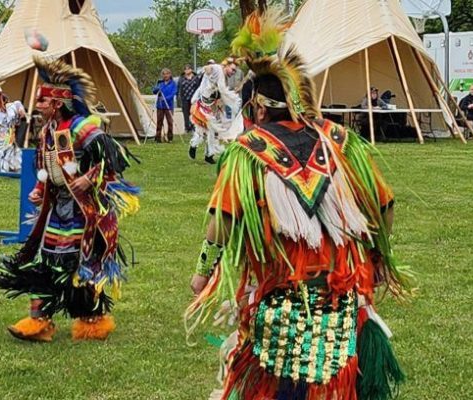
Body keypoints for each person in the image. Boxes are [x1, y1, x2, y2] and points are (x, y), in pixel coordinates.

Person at [188, 11, 410, 399]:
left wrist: (203, 275)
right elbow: (385, 204)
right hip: (338, 294)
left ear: (258, 107)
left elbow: (221, 221)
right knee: (332, 383)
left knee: (277, 384)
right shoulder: (341, 142)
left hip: (278, 294)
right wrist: (376, 259)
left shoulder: (248, 153)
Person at [0, 52, 140, 343]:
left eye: (43, 101)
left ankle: (92, 321)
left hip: (82, 210)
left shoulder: (81, 127)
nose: (37, 105)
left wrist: (91, 177)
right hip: (57, 207)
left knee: (79, 262)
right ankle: (39, 322)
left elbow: (111, 155)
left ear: (57, 103)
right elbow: (47, 165)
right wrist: (40, 188)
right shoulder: (47, 130)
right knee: (47, 259)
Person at [0, 91, 26, 172]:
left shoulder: (7, 108)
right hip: (7, 133)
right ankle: (7, 168)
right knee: (6, 150)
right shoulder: (13, 105)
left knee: (5, 150)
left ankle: (7, 168)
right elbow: (22, 114)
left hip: (6, 133)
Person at [152, 68, 177, 142]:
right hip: (160, 105)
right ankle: (158, 137)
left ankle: (170, 137)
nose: (165, 75)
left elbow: (173, 93)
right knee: (159, 121)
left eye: (167, 74)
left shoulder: (173, 83)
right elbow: (154, 91)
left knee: (170, 122)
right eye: (164, 74)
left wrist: (166, 99)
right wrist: (157, 89)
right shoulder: (160, 83)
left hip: (169, 105)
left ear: (170, 74)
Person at [177, 64, 201, 135]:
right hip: (185, 98)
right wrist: (179, 97)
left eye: (188, 69)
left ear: (191, 69)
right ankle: (187, 128)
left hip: (194, 99)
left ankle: (194, 128)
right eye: (185, 69)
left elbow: (199, 87)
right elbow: (179, 88)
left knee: (194, 113)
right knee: (186, 114)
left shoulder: (196, 77)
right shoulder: (181, 78)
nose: (187, 70)